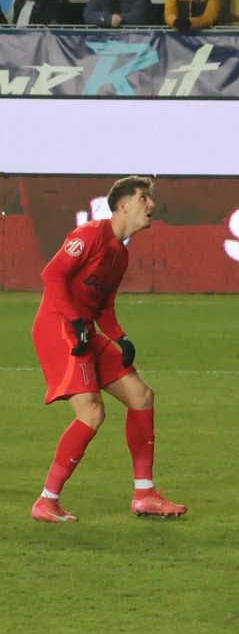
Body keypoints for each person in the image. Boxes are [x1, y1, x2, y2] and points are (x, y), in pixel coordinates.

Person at [30, 176, 186, 523]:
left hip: (83, 328)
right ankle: (47, 501)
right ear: (122, 205)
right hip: (59, 328)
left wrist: (121, 336)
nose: (151, 205)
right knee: (91, 413)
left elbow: (104, 307)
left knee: (142, 396)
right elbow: (52, 275)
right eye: (144, 198)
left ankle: (145, 494)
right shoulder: (90, 235)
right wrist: (73, 321)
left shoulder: (120, 253)